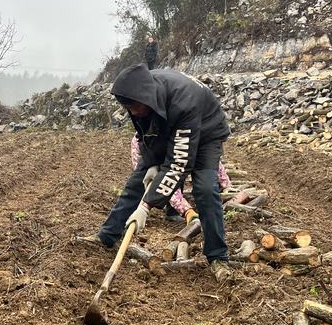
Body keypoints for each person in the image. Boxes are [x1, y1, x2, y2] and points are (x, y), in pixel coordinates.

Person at [80, 64, 231, 280]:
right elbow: (145, 135)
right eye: (128, 108)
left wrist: (146, 206)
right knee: (137, 180)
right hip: (169, 126)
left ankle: (218, 257)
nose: (131, 112)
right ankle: (107, 236)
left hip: (206, 131)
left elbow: (178, 163)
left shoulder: (182, 102)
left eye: (133, 107)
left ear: (147, 98)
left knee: (205, 188)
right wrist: (151, 163)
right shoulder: (140, 98)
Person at [130, 135, 232, 223]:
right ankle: (132, 213)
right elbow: (169, 182)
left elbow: (214, 163)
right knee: (143, 184)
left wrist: (226, 185)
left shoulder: (200, 141)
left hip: (174, 154)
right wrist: (187, 211)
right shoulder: (176, 146)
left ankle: (177, 210)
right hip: (151, 156)